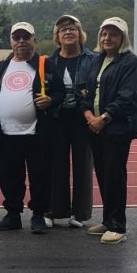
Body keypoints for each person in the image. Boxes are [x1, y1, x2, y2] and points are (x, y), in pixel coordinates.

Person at [0, 22, 64, 233]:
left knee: (40, 177)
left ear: (33, 40)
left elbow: (60, 92)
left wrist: (51, 100)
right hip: (6, 134)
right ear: (11, 41)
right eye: (17, 37)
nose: (21, 41)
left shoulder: (44, 65)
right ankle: (13, 215)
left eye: (25, 37)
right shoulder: (1, 67)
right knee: (9, 177)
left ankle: (38, 215)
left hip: (36, 133)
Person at [79, 17, 137, 244]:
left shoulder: (131, 63)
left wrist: (103, 119)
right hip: (95, 128)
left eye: (113, 34)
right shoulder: (97, 60)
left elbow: (128, 98)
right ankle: (108, 220)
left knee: (114, 176)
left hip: (116, 129)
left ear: (122, 38)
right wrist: (88, 115)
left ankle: (118, 225)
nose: (108, 38)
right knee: (104, 175)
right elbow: (85, 91)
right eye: (104, 34)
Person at [45, 15, 96, 228]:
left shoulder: (93, 59)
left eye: (72, 29)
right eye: (63, 29)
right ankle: (55, 210)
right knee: (56, 165)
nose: (68, 32)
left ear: (80, 33)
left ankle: (80, 214)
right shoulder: (49, 61)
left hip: (83, 118)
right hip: (57, 118)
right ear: (57, 36)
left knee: (83, 166)